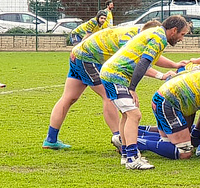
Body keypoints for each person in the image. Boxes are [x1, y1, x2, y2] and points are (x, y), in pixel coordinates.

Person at [42, 21, 163, 150]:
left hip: (80, 54)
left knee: (68, 97)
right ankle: (119, 139)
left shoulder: (138, 33)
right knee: (109, 94)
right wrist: (160, 75)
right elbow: (139, 63)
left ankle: (51, 139)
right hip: (88, 58)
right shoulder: (131, 38)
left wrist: (175, 65)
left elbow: (150, 57)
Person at [100, 15, 190, 170]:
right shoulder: (159, 37)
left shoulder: (156, 33)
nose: (182, 38)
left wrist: (170, 67)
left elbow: (151, 59)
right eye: (182, 34)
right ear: (174, 30)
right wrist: (132, 88)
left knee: (127, 115)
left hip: (113, 74)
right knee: (135, 115)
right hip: (115, 75)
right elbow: (144, 62)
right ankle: (133, 158)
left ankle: (126, 155)